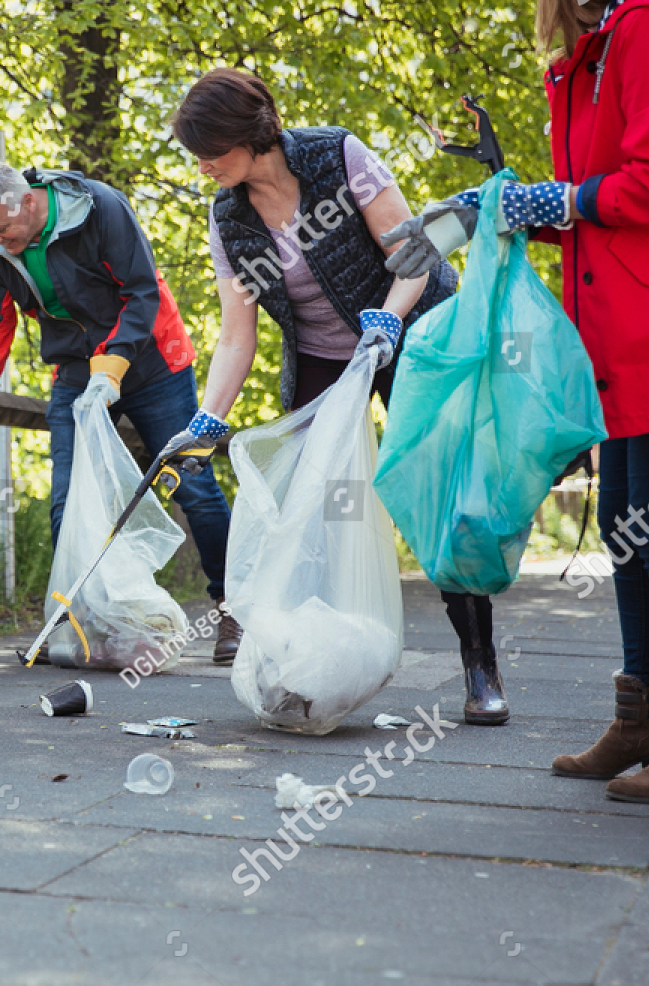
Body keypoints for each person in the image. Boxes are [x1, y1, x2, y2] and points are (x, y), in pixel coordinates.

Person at [382, 0, 649, 803]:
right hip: (624, 336)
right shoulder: (596, 50)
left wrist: (539, 202)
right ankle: (645, 718)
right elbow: (596, 207)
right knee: (626, 525)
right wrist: (483, 211)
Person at [153, 69, 510, 725]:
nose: (202, 167)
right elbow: (237, 337)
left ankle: (480, 665)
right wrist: (208, 417)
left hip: (411, 334)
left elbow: (419, 250)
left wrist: (387, 321)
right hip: (323, 362)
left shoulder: (335, 155)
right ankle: (317, 664)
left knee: (439, 503)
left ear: (248, 135)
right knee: (319, 512)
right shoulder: (229, 216)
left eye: (211, 152)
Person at [0, 158, 241, 665]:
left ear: (29, 203)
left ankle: (233, 611)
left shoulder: (100, 208)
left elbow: (140, 292)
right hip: (75, 371)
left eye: (0, 229)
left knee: (192, 484)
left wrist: (113, 369)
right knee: (67, 499)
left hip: (153, 361)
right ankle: (79, 621)